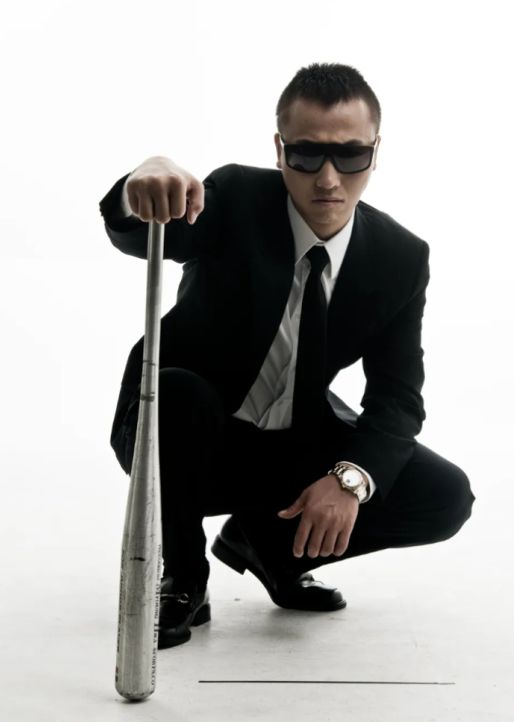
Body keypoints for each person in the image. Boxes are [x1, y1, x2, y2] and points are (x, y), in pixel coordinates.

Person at [99, 63, 475, 650]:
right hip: (180, 435)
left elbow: (398, 399)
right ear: (279, 150)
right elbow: (144, 232)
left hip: (290, 443)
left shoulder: (400, 257)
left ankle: (268, 547)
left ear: (376, 152)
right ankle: (184, 576)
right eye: (306, 155)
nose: (328, 179)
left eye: (350, 156)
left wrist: (349, 481)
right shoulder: (237, 198)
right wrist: (142, 179)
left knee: (445, 494)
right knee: (179, 392)